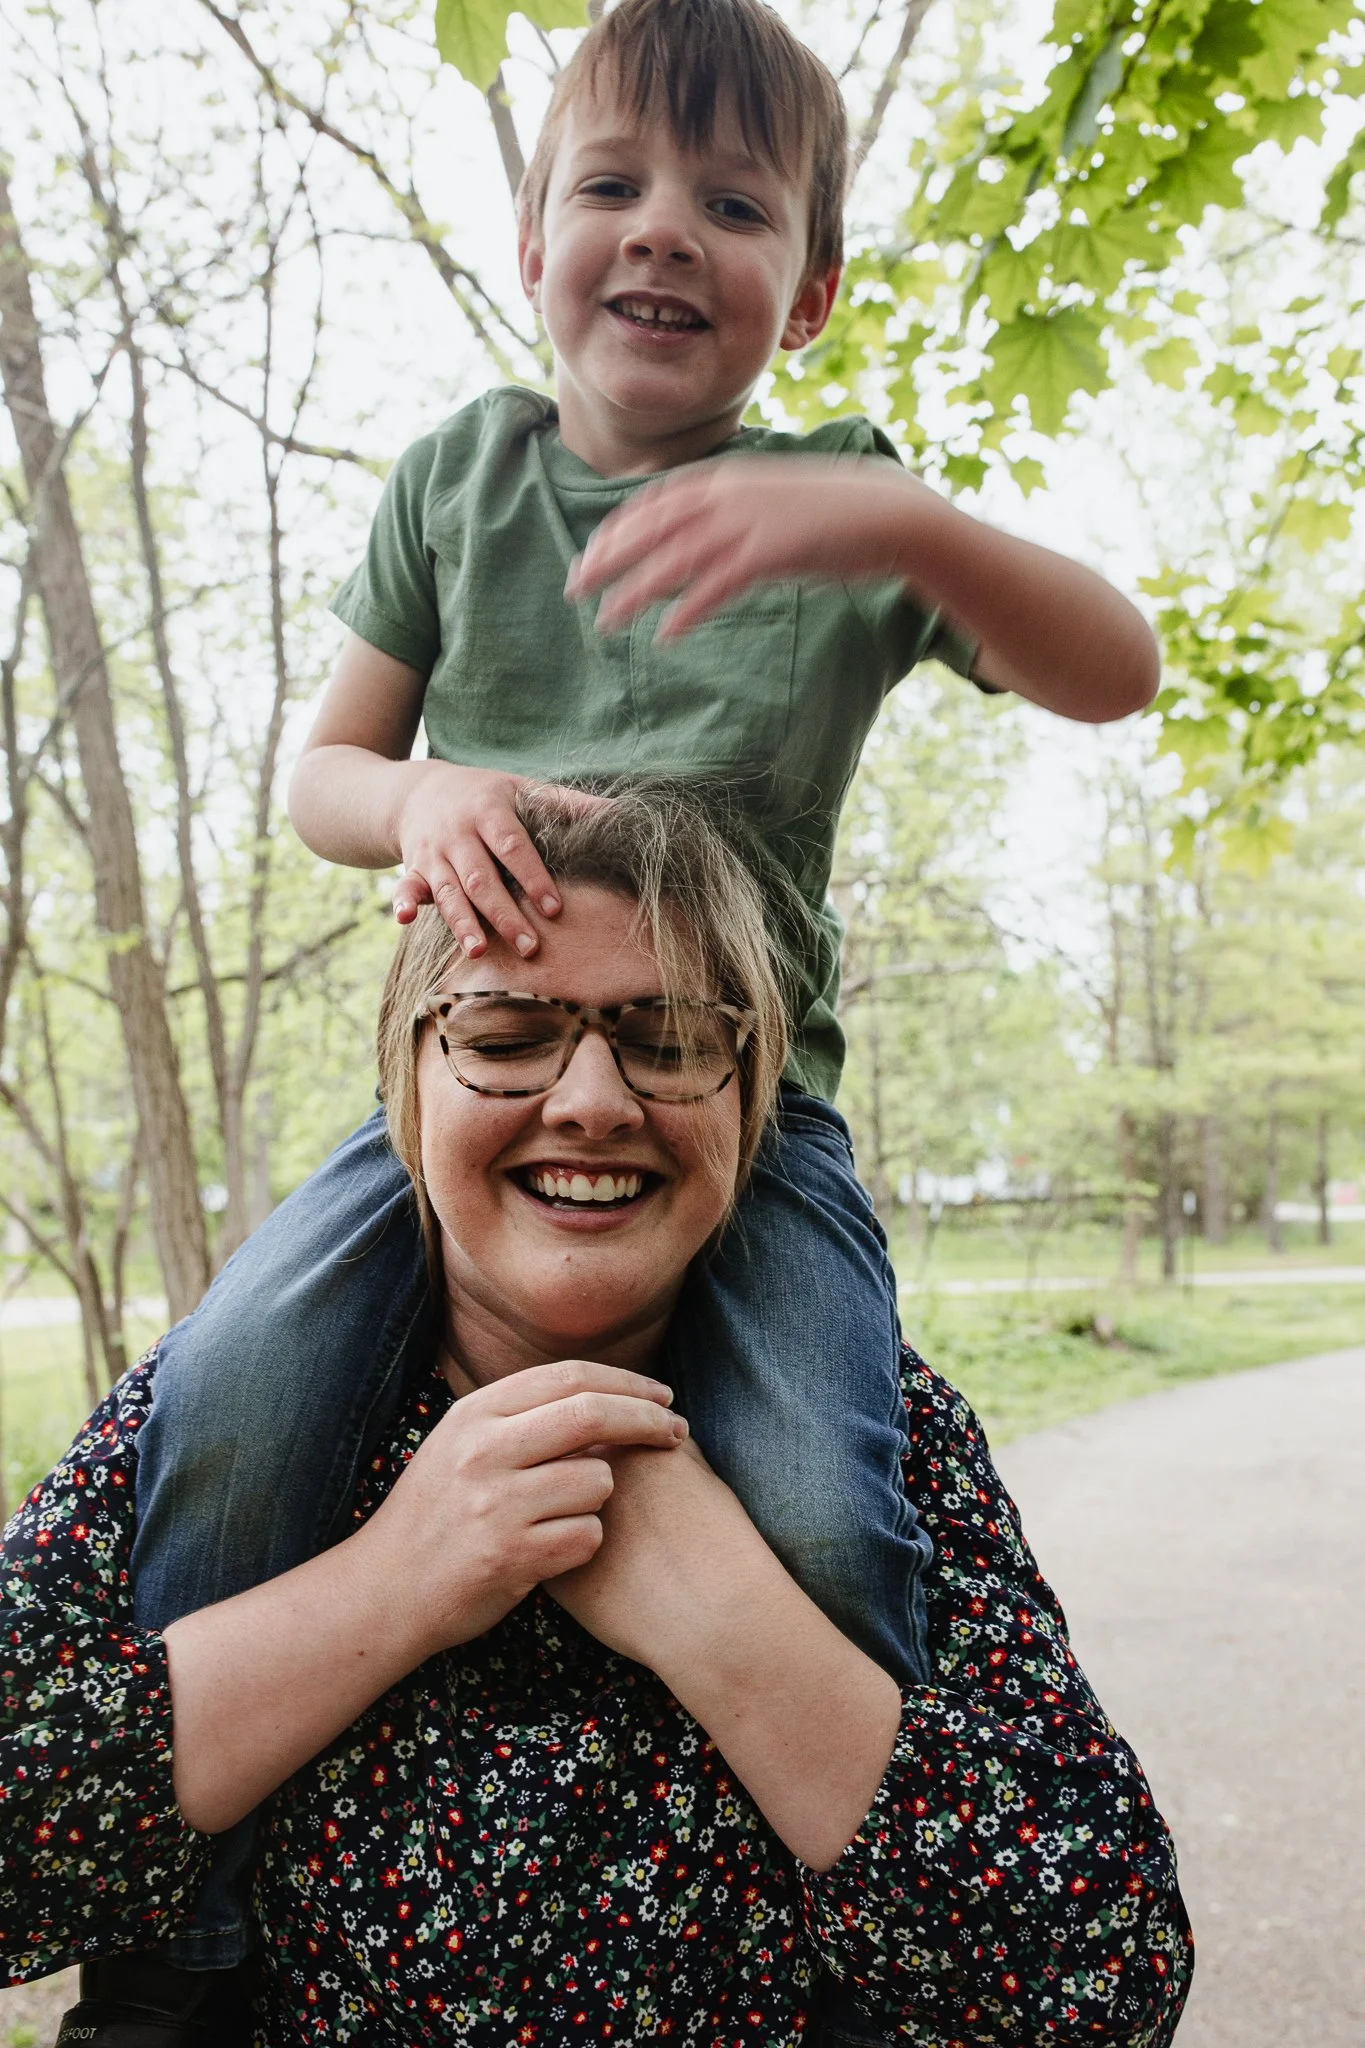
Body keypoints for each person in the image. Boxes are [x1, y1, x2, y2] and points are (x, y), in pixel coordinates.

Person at [131, 0, 1162, 1997]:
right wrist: (424, 789)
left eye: (731, 200)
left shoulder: (845, 510)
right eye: (610, 184)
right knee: (234, 1397)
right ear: (531, 251)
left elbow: (1112, 671)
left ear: (815, 291)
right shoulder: (463, 482)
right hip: (462, 1097)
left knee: (816, 1496)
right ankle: (188, 1934)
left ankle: (866, 1933)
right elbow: (323, 781)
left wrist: (905, 523)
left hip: (745, 1128)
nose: (665, 229)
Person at [2, 790, 1191, 2048]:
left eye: (669, 1036)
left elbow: (1102, 1987)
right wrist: (388, 1583)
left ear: (754, 1099)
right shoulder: (228, 1407)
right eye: (506, 1030)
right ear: (405, 1086)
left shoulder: (868, 1430)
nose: (591, 1100)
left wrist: (736, 1627)